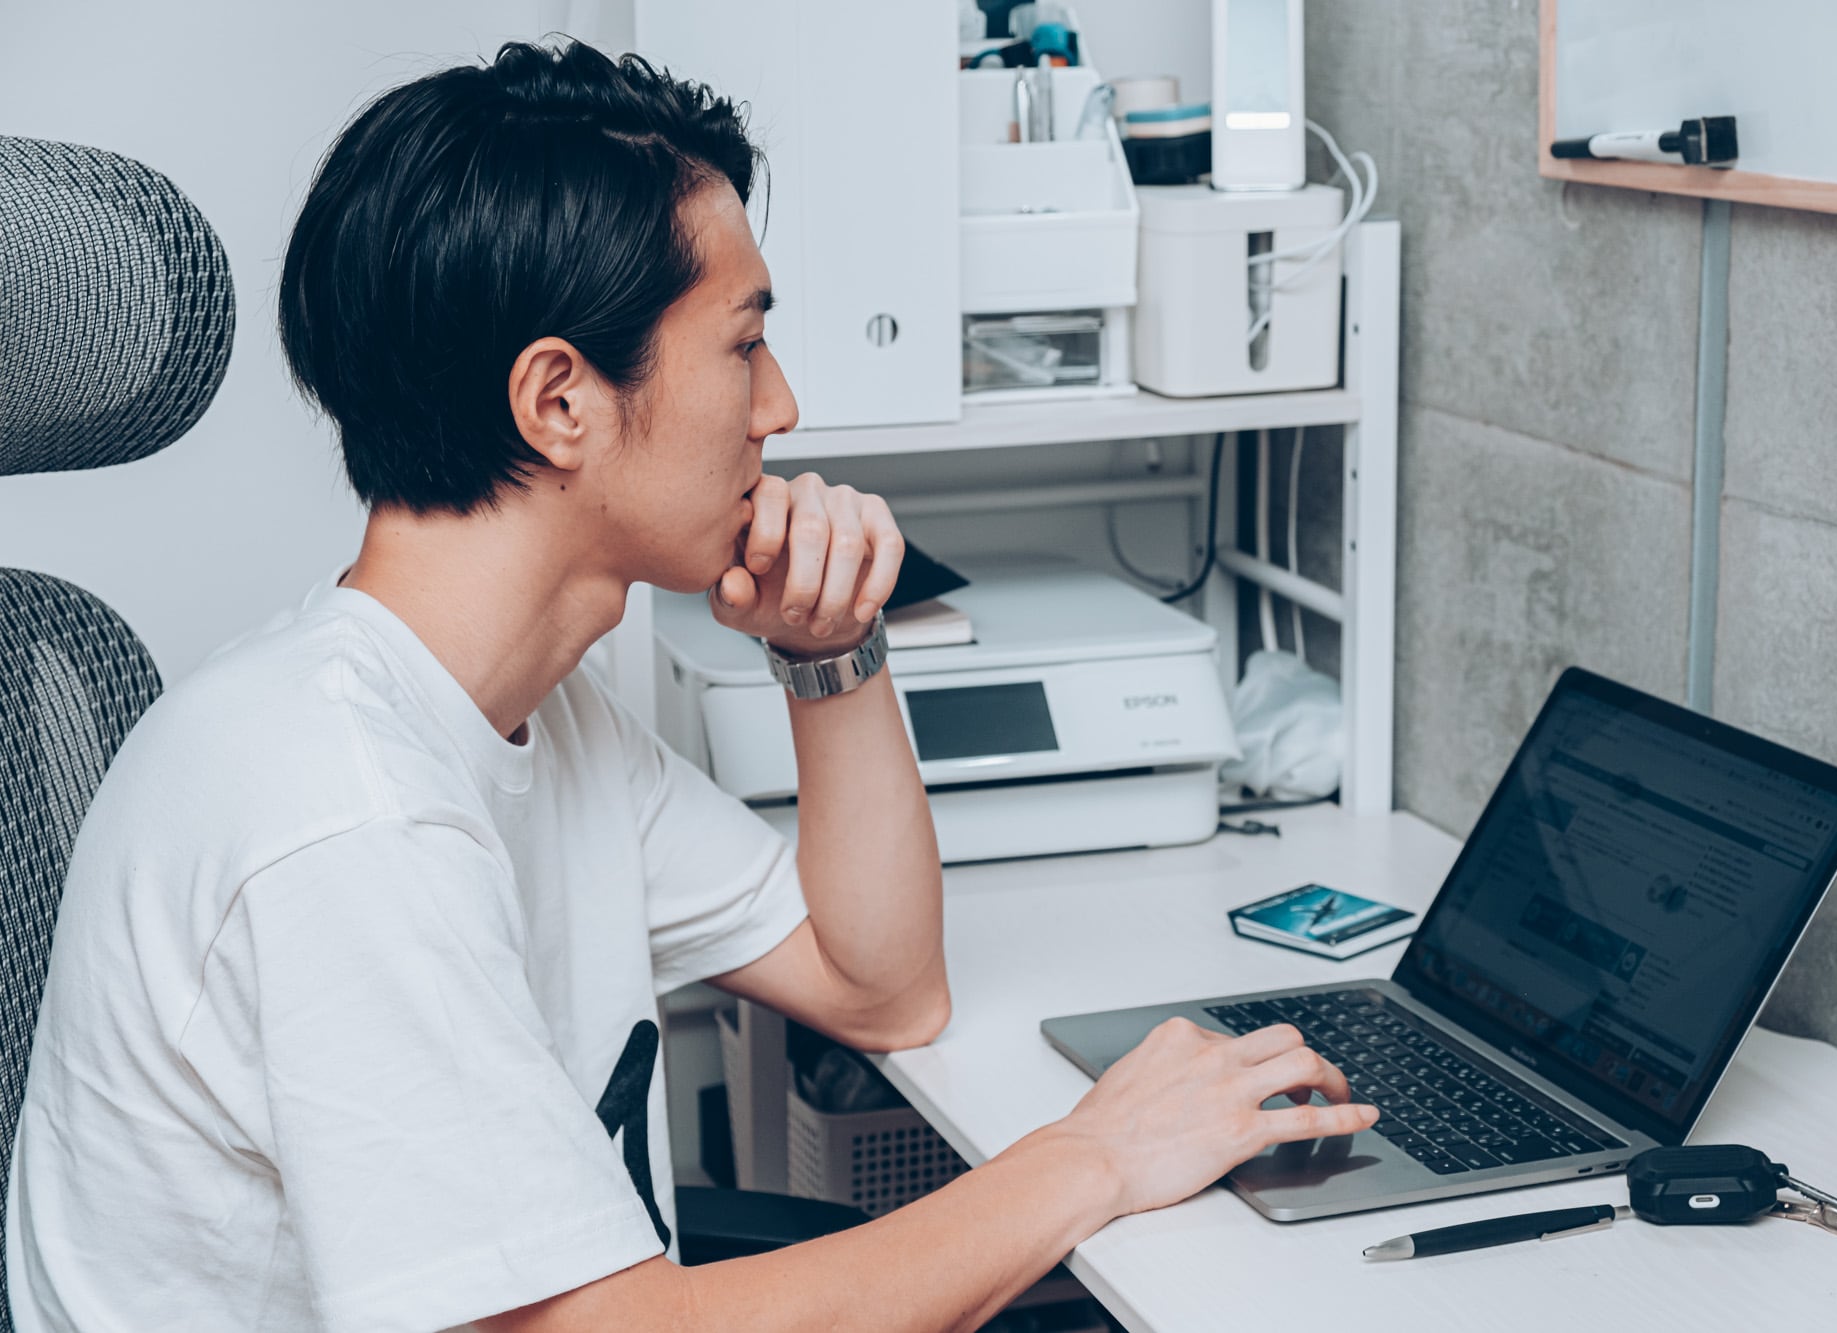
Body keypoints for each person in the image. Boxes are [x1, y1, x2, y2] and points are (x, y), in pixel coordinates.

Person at [4, 39, 1375, 1333]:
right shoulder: (340, 810)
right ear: (558, 403)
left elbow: (881, 986)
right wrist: (1093, 1153)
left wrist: (830, 652)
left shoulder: (530, 715)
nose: (779, 406)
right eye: (742, 342)